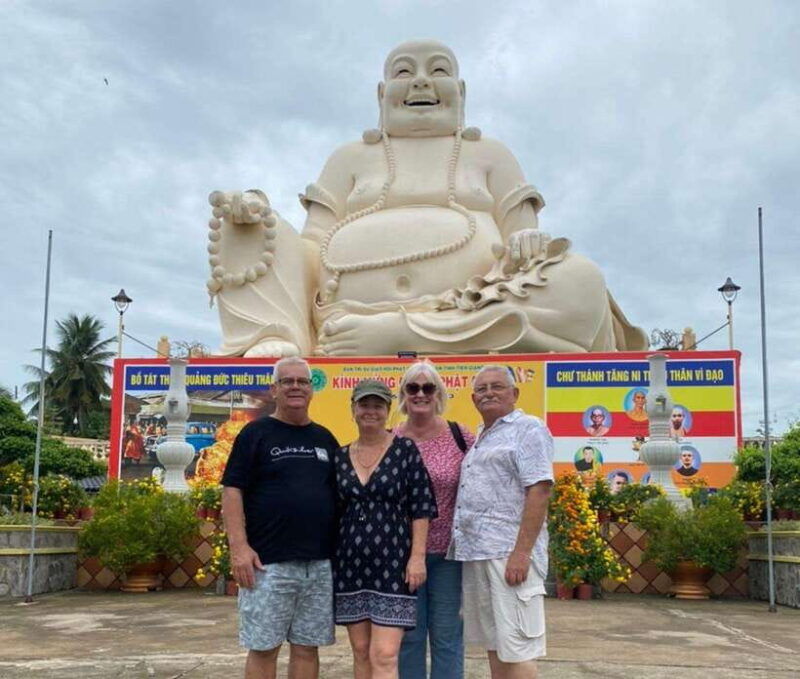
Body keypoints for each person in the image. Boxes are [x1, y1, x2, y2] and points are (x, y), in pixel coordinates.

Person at [208, 40, 648, 358]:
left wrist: (525, 243)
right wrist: (259, 218)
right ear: (382, 95)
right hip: (341, 317)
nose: (420, 81)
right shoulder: (349, 158)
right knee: (244, 222)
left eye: (437, 71)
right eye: (403, 72)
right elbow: (310, 247)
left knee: (582, 278)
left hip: (472, 308)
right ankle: (278, 332)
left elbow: (527, 244)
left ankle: (404, 334)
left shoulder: (490, 154)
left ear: (462, 92)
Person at [221, 356, 339, 679]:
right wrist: (239, 548)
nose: (296, 387)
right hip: (267, 564)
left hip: (317, 564)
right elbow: (232, 491)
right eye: (287, 381)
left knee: (306, 648)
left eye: (302, 381)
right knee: (263, 647)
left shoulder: (325, 439)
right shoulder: (255, 433)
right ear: (274, 390)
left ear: (312, 390)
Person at [449, 365, 554, 678]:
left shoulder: (528, 428)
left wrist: (521, 553)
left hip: (509, 555)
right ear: (473, 398)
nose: (489, 393)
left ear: (515, 393)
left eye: (497, 386)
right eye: (482, 389)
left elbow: (540, 489)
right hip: (478, 553)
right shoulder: (482, 435)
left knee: (518, 648)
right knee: (496, 646)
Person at [335, 379, 438, 679]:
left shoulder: (405, 450)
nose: (371, 411)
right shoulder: (340, 457)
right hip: (350, 566)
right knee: (361, 651)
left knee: (385, 654)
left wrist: (417, 557)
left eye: (378, 405)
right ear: (353, 409)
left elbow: (421, 506)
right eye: (364, 405)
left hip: (393, 567)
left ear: (388, 410)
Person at [394, 361, 475, 679]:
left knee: (447, 636)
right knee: (409, 638)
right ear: (403, 394)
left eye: (428, 387)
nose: (420, 394)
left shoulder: (460, 436)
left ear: (439, 393)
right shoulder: (392, 440)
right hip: (404, 556)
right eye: (413, 387)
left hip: (449, 555)